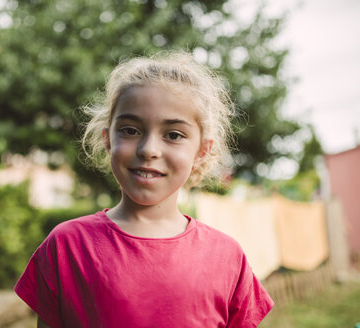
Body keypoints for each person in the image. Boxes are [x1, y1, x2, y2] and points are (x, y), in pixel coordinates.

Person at [14, 51, 274, 327]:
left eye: (173, 135)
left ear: (202, 150)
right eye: (130, 130)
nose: (149, 149)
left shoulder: (228, 257)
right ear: (108, 139)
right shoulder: (67, 246)